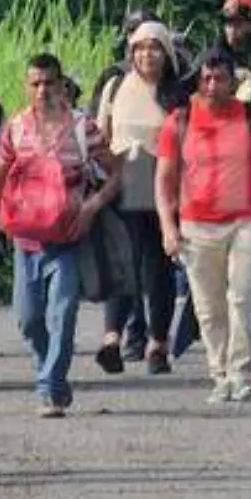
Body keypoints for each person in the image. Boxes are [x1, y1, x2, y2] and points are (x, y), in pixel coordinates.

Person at [0, 55, 121, 417]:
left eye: (49, 83)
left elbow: (116, 173)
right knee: (29, 319)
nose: (42, 90)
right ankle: (51, 373)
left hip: (67, 238)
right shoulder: (16, 128)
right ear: (26, 87)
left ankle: (49, 386)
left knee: (62, 314)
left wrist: (91, 207)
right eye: (35, 84)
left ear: (62, 85)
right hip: (26, 239)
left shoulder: (83, 127)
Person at [155, 48, 251, 403]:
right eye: (206, 78)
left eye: (220, 78)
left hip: (248, 220)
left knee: (243, 296)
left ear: (234, 82)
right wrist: (168, 228)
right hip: (196, 225)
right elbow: (164, 179)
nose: (212, 85)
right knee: (208, 305)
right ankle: (219, 374)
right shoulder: (179, 121)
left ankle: (241, 373)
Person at [91, 20, 184, 376]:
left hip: (162, 186)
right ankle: (112, 338)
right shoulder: (115, 85)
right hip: (120, 182)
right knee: (121, 261)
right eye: (141, 47)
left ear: (166, 53)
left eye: (155, 47)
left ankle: (158, 343)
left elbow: (185, 144)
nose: (147, 54)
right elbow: (100, 136)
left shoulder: (177, 96)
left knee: (157, 267)